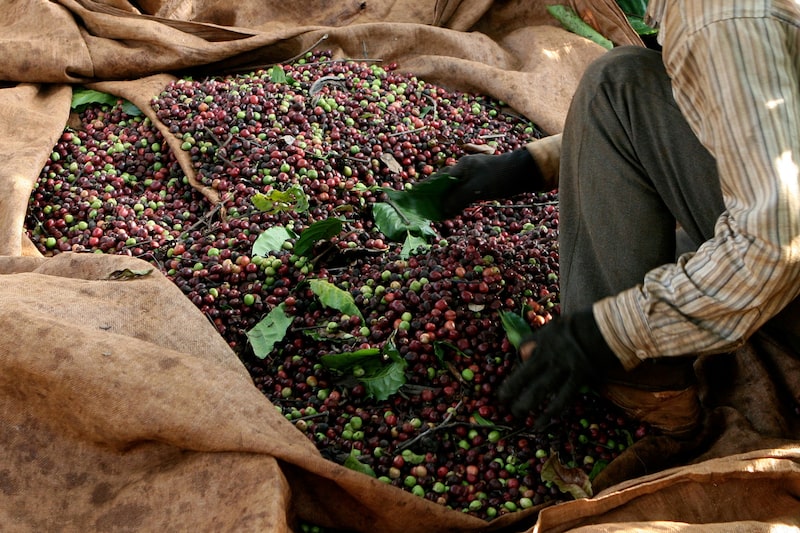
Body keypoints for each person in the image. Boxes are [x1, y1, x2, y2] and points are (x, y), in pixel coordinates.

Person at [439, 1, 800, 437]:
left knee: (614, 82)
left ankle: (643, 380)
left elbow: (776, 241)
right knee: (626, 84)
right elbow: (718, 110)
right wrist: (528, 165)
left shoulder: (716, 16)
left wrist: (605, 333)